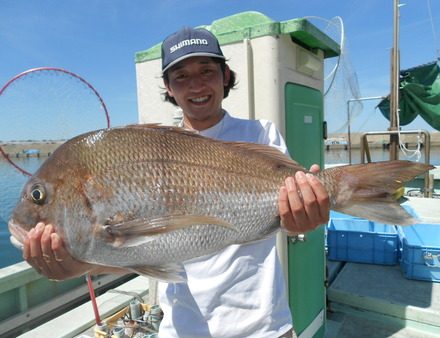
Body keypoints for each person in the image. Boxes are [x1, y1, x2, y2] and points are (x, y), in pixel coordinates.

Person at [23, 27, 330, 338]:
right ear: (168, 87)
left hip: (264, 327)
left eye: (207, 71)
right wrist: (77, 266)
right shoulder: (150, 147)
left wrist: (306, 215)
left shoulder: (261, 135)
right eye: (181, 76)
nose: (196, 84)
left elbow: (287, 222)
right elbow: (144, 251)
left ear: (225, 75)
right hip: (184, 329)